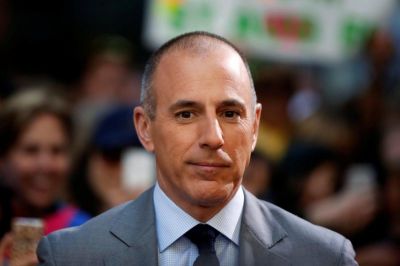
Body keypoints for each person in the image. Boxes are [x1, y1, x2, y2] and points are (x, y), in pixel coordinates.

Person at [37, 31, 357, 266]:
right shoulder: (71, 256)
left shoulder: (325, 257)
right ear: (145, 128)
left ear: (255, 126)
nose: (213, 137)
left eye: (230, 114)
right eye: (186, 114)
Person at [0, 89, 90, 265]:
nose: (46, 165)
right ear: (3, 158)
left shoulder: (85, 233)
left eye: (57, 151)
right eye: (30, 150)